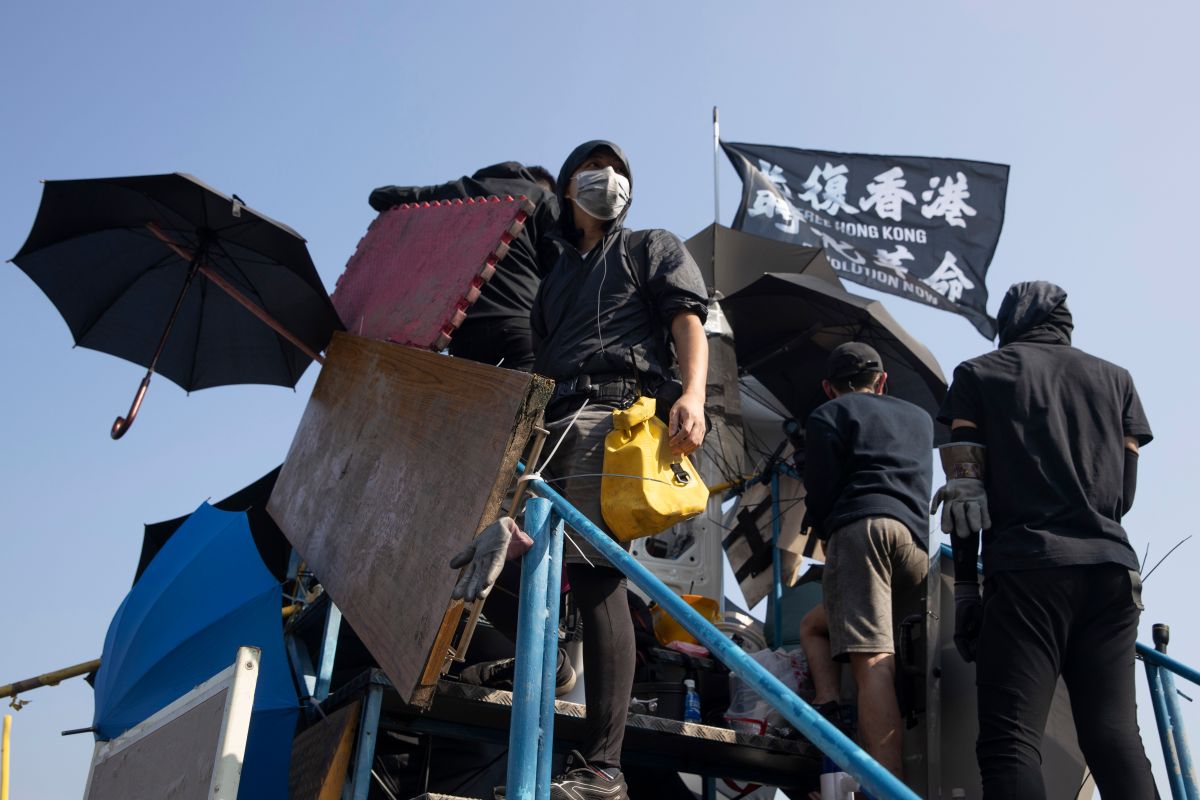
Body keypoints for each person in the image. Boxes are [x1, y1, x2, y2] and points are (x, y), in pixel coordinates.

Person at [516, 139, 708, 799]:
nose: (609, 179)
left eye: (619, 171)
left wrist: (692, 395)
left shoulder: (651, 245)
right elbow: (539, 362)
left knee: (598, 576)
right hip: (550, 427)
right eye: (595, 170)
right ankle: (542, 666)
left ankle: (603, 769)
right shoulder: (553, 282)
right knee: (516, 562)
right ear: (568, 188)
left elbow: (688, 322)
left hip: (613, 417)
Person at [934, 281, 1157, 798]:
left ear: (1010, 320)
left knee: (1009, 741)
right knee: (1114, 738)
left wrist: (965, 590)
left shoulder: (977, 375)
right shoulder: (1118, 380)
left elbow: (966, 498)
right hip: (1112, 573)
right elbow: (1122, 496)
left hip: (1028, 571)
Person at [797, 342, 932, 780]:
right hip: (914, 547)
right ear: (882, 380)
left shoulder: (828, 415)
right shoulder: (920, 418)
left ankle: (883, 785)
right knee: (814, 626)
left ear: (828, 387)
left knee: (874, 662)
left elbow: (821, 494)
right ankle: (829, 704)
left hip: (862, 535)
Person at [369, 162, 560, 370]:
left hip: (463, 334)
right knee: (535, 391)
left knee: (469, 392)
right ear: (542, 185)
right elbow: (563, 265)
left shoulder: (459, 189)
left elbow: (380, 197)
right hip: (519, 326)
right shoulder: (543, 197)